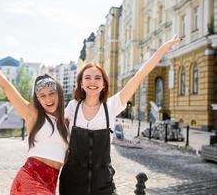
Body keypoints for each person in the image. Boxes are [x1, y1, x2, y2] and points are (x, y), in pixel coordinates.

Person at [59, 35, 181, 195]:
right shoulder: (72, 107)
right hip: (72, 184)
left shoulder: (111, 105)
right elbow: (55, 133)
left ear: (104, 84)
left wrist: (162, 50)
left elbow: (139, 76)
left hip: (103, 185)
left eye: (97, 78)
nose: (92, 82)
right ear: (81, 84)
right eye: (87, 78)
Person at [0, 38, 69, 195]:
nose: (48, 99)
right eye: (42, 96)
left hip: (50, 186)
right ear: (38, 99)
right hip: (30, 181)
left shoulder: (66, 123)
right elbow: (6, 86)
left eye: (51, 93)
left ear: (59, 93)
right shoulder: (33, 114)